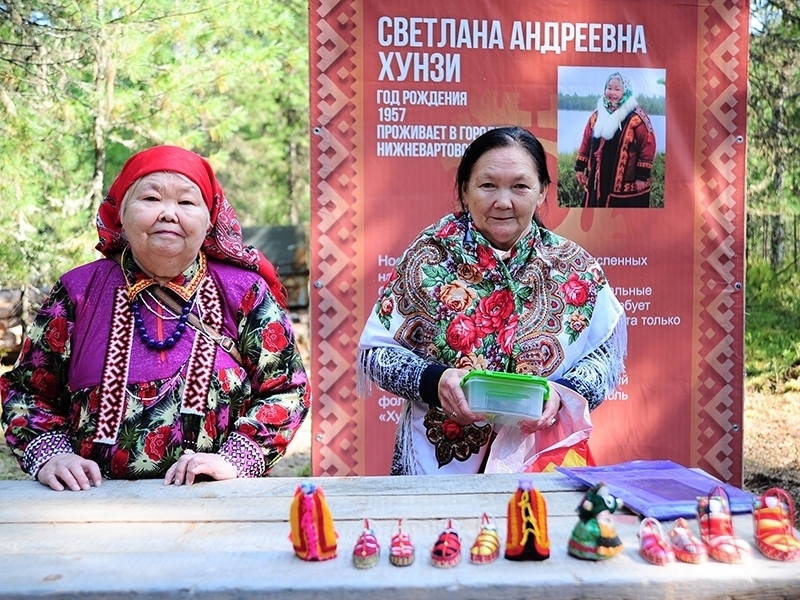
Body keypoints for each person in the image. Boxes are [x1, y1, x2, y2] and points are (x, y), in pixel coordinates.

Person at [0, 145, 309, 490]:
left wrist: (234, 460)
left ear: (209, 221)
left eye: (187, 202)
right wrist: (52, 455)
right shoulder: (78, 291)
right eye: (150, 198)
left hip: (218, 505)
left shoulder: (243, 292)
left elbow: (286, 389)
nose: (168, 214)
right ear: (121, 214)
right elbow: (27, 392)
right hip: (91, 511)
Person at [358, 126, 626, 475]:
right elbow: (378, 355)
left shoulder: (574, 268)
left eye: (520, 186)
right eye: (487, 185)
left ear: (542, 192)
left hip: (540, 460)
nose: (503, 201)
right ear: (465, 191)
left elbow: (604, 358)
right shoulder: (428, 256)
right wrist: (435, 381)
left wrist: (566, 394)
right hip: (435, 463)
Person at [575, 72, 656, 208]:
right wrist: (579, 168)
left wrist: (641, 177)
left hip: (626, 187)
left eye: (617, 89)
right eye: (609, 88)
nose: (612, 92)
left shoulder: (637, 118)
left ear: (626, 91)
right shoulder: (597, 115)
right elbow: (586, 141)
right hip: (597, 181)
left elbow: (648, 147)